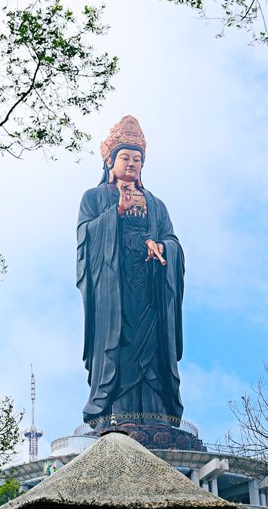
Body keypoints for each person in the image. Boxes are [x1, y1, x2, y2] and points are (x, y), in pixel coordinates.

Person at [76, 115, 185, 424]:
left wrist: (162, 248)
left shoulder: (156, 204)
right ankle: (115, 416)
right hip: (114, 291)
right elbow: (85, 237)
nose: (132, 164)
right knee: (118, 348)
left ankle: (156, 416)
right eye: (125, 157)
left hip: (150, 291)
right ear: (110, 161)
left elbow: (172, 240)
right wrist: (117, 213)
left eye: (137, 159)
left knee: (153, 353)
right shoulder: (94, 197)